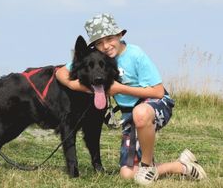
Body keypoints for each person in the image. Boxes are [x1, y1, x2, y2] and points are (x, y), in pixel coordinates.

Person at [56, 13, 207, 185]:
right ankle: (181, 166)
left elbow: (157, 91)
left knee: (140, 113)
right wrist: (77, 86)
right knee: (128, 174)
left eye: (110, 38)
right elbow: (61, 73)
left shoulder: (135, 54)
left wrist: (120, 89)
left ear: (120, 35)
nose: (105, 46)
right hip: (130, 116)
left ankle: (147, 165)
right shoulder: (99, 57)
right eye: (99, 42)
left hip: (155, 104)